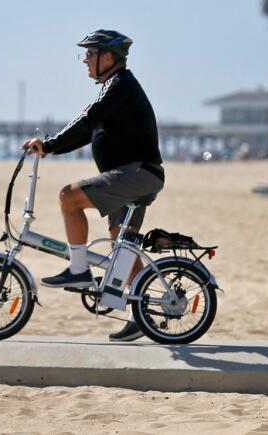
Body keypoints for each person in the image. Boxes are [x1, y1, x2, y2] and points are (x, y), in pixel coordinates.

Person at [23, 29, 164, 342]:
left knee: (68, 197)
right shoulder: (115, 88)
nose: (85, 60)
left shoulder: (119, 86)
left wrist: (48, 145)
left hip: (136, 173)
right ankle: (142, 316)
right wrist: (52, 147)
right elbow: (88, 131)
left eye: (90, 53)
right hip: (138, 174)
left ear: (108, 57)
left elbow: (86, 120)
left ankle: (78, 269)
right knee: (122, 248)